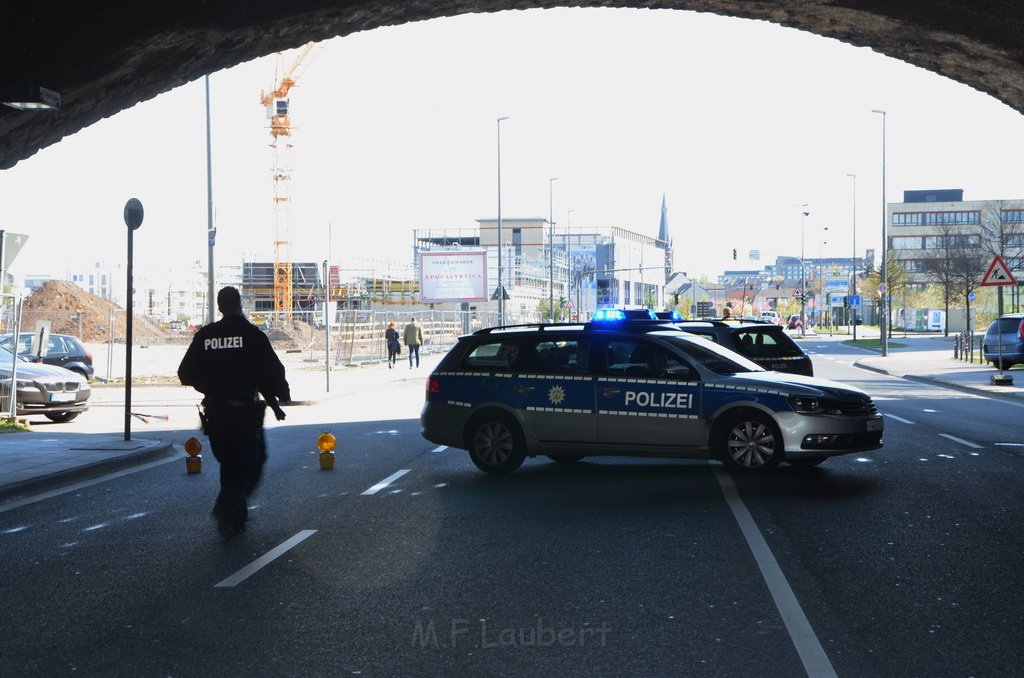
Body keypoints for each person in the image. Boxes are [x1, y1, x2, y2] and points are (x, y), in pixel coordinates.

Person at [177, 286, 291, 540]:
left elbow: (185, 373)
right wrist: (281, 394)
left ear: (219, 307)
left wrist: (210, 387)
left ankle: (234, 521)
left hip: (217, 414)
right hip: (244, 415)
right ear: (240, 304)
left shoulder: (206, 336)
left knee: (230, 464)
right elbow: (270, 371)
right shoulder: (251, 335)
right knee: (253, 462)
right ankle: (226, 509)